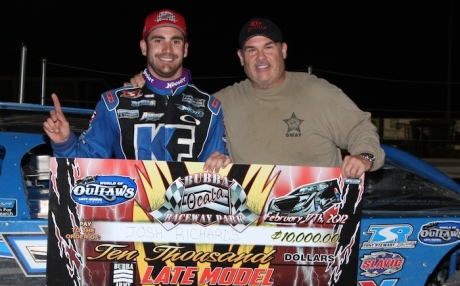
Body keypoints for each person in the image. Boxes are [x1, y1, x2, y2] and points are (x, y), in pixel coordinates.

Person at [129, 17, 385, 178]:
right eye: (252, 50)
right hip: (252, 229)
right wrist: (147, 86)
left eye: (268, 47)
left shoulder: (318, 91)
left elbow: (360, 129)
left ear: (283, 50)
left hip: (318, 223)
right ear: (241, 57)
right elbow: (176, 112)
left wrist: (365, 157)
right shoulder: (222, 102)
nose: (260, 58)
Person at [43, 9, 230, 173]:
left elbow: (214, 173)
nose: (167, 49)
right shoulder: (114, 104)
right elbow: (85, 166)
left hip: (185, 210)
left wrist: (220, 164)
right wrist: (64, 143)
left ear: (186, 49)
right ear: (144, 47)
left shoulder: (209, 108)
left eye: (175, 41)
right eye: (158, 40)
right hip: (129, 209)